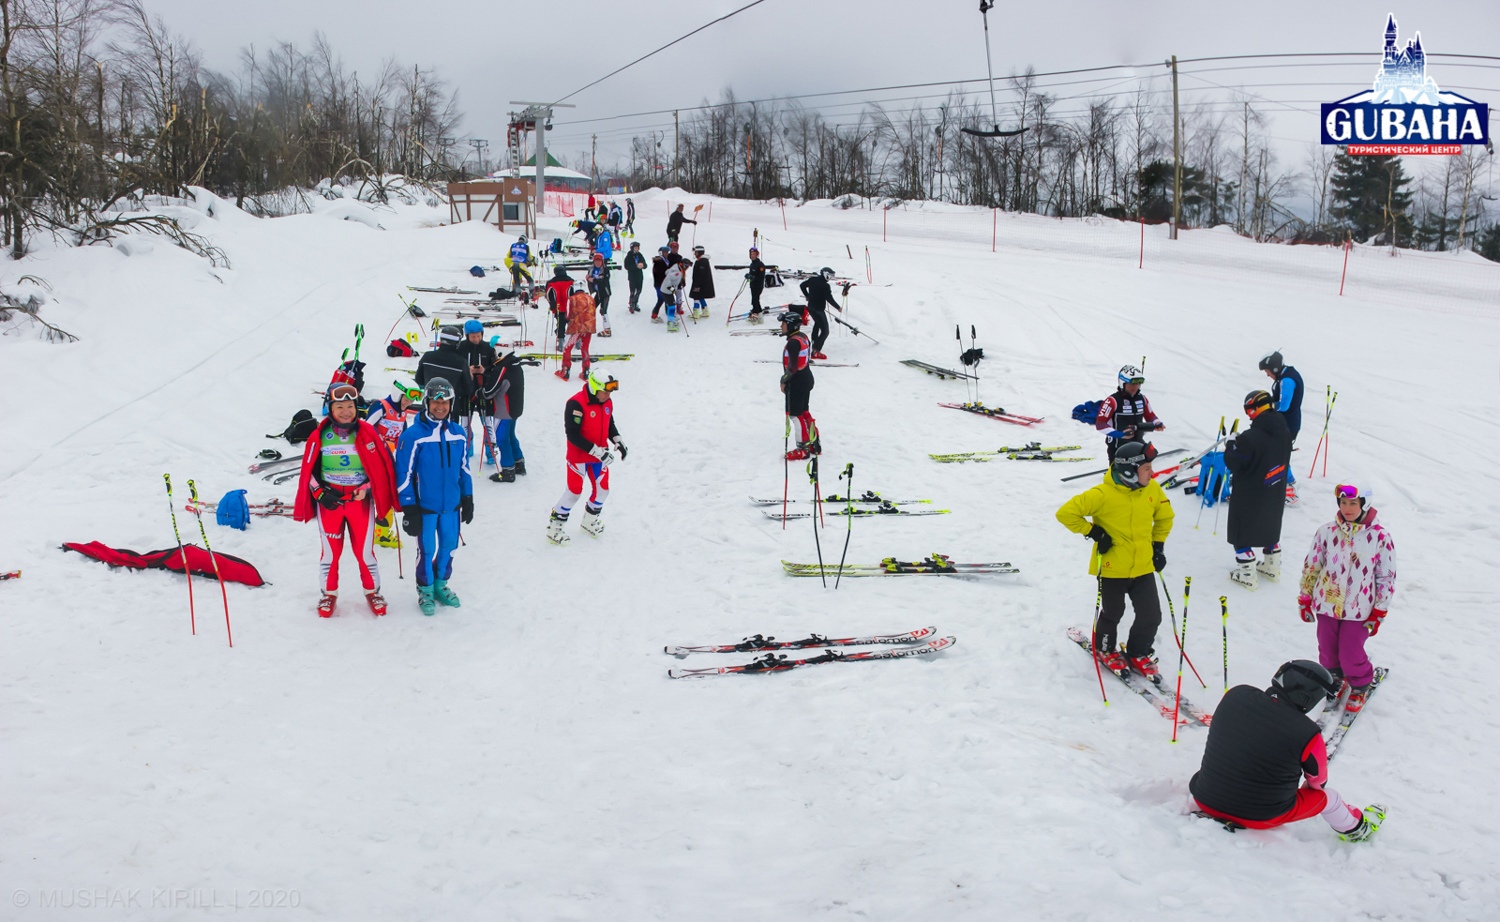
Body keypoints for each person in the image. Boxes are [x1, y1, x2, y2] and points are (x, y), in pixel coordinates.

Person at [1190, 660, 1385, 842]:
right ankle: (1357, 829)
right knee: (1329, 798)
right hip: (1260, 817)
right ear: (1307, 696)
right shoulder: (1307, 733)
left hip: (1204, 796)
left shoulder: (1236, 694)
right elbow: (1317, 783)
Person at [1054, 441, 1174, 679]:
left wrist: (1157, 547)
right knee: (1113, 613)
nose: (1152, 473)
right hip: (1111, 568)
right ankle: (1105, 649)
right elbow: (1065, 513)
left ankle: (1138, 652)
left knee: (1151, 615)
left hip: (1142, 566)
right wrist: (1094, 532)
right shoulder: (1101, 495)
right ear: (1129, 472)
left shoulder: (1152, 489)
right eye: (1147, 468)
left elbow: (1165, 517)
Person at [292, 383, 400, 618]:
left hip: (359, 502)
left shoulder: (367, 432)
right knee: (330, 553)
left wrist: (367, 488)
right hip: (330, 502)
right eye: (339, 407)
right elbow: (307, 470)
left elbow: (381, 468)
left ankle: (372, 591)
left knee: (365, 552)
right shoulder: (320, 434)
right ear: (330, 409)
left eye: (349, 406)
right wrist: (320, 493)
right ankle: (328, 594)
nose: (345, 412)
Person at [1298, 484, 1396, 713]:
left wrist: (1379, 610)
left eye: (1353, 503)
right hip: (1327, 603)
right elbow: (1312, 567)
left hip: (1360, 608)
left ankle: (1361, 684)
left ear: (1365, 504)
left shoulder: (1380, 537)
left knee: (1350, 652)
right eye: (1343, 503)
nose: (1347, 508)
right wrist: (1305, 598)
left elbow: (1386, 576)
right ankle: (1335, 677)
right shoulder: (1326, 532)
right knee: (1327, 649)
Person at [395, 378, 473, 616]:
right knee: (427, 549)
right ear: (426, 402)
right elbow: (404, 474)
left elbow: (464, 469)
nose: (440, 407)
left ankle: (441, 585)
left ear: (451, 403)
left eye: (445, 402)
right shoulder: (414, 435)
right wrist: (409, 508)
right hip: (425, 507)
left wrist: (467, 497)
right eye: (435, 402)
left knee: (449, 546)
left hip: (451, 506)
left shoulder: (458, 433)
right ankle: (425, 589)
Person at [547, 367, 626, 546]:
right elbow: (572, 434)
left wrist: (617, 439)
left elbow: (609, 422)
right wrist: (596, 451)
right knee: (574, 492)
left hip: (599, 457)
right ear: (593, 387)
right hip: (579, 457)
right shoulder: (575, 404)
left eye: (609, 392)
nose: (608, 395)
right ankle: (555, 528)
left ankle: (589, 521)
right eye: (604, 392)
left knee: (603, 490)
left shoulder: (607, 402)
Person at [1225, 390, 1293, 589]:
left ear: (1254, 409)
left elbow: (1234, 462)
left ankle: (1247, 573)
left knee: (1241, 529)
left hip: (1250, 491)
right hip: (1275, 488)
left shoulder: (1250, 437)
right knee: (1270, 524)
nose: (1248, 415)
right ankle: (1272, 566)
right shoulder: (1284, 431)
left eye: (1249, 410)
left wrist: (1231, 444)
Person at [365, 381, 421, 547]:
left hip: (390, 459)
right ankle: (379, 532)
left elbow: (403, 438)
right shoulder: (381, 406)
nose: (409, 403)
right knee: (384, 494)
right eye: (407, 398)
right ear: (398, 393)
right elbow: (366, 430)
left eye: (413, 399)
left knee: (389, 494)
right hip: (374, 458)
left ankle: (381, 531)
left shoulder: (402, 414)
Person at [1094, 364, 1165, 463]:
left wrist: (1157, 423)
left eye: (1138, 384)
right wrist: (1119, 434)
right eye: (1131, 384)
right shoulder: (1112, 401)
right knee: (1122, 471)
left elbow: (1150, 416)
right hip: (1118, 445)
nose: (1135, 387)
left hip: (1138, 442)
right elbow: (1100, 424)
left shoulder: (1142, 399)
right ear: (1122, 383)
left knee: (1146, 463)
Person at [1260, 350, 1305, 505]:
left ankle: (1289, 488)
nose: (1267, 375)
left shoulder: (1287, 380)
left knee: (1279, 453)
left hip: (1288, 424)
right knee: (1279, 452)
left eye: (1267, 371)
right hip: (1284, 423)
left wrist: (1265, 407)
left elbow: (1284, 405)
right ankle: (1288, 479)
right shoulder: (1286, 376)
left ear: (1275, 368)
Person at [416, 325, 474, 444]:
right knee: (446, 441)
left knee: (425, 439)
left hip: (429, 406)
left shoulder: (427, 357)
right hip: (450, 409)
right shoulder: (461, 362)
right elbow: (468, 389)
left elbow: (419, 380)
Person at [481, 352, 528, 483]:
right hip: (515, 408)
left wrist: (480, 392)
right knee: (510, 435)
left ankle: (508, 470)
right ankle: (519, 463)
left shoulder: (502, 369)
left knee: (502, 439)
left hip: (504, 410)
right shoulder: (515, 364)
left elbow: (489, 392)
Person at [780, 309, 820, 460]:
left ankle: (802, 448)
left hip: (797, 381)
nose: (781, 326)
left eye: (783, 324)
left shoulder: (792, 343)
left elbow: (793, 367)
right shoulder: (802, 337)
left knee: (795, 416)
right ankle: (814, 443)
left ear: (790, 325)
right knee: (803, 412)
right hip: (806, 378)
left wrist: (783, 380)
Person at [798, 267, 842, 360]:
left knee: (817, 325)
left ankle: (813, 344)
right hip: (818, 310)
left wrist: (807, 295)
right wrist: (838, 307)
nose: (830, 278)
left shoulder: (813, 279)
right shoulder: (825, 286)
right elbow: (829, 298)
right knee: (825, 331)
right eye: (829, 275)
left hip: (811, 308)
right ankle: (816, 351)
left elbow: (802, 285)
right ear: (825, 274)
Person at [558, 286, 596, 381]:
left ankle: (565, 370)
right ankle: (586, 371)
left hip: (577, 328)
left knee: (567, 348)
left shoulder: (572, 299)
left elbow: (567, 315)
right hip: (589, 327)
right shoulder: (591, 298)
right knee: (585, 348)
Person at [545, 267, 573, 353]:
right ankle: (577, 341)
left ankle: (560, 342)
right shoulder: (571, 281)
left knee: (561, 324)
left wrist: (552, 306)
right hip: (570, 307)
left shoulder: (551, 283)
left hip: (558, 307)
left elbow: (548, 295)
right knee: (572, 323)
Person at [587, 251, 613, 337]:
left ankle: (607, 330)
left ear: (602, 261)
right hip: (598, 293)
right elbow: (589, 278)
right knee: (591, 308)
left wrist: (592, 280)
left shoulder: (605, 270)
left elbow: (603, 281)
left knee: (603, 311)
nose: (598, 262)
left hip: (605, 293)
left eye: (599, 261)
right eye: (596, 261)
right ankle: (588, 326)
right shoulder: (591, 269)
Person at [660, 252, 687, 333]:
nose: (686, 268)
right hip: (666, 290)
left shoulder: (676, 268)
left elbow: (667, 272)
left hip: (666, 290)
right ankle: (670, 323)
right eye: (686, 266)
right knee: (672, 306)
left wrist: (679, 283)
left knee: (671, 305)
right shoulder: (677, 272)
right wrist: (673, 290)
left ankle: (671, 319)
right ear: (682, 264)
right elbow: (668, 280)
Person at [688, 245, 715, 319]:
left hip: (700, 284)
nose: (694, 254)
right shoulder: (701, 261)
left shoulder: (702, 261)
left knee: (696, 297)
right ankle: (705, 310)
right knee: (700, 296)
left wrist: (697, 285)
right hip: (700, 284)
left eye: (696, 252)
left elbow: (701, 274)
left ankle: (696, 312)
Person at [624, 241, 647, 313]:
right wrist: (636, 266)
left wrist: (643, 265)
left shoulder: (640, 255)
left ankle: (635, 303)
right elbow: (626, 266)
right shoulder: (629, 256)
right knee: (632, 291)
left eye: (637, 248)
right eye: (635, 248)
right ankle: (631, 303)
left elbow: (645, 264)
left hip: (639, 276)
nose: (637, 249)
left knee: (639, 291)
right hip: (632, 276)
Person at [650, 246, 671, 322]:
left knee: (665, 299)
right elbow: (659, 273)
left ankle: (668, 314)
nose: (666, 254)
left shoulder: (666, 260)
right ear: (661, 253)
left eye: (667, 252)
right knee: (662, 299)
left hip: (664, 284)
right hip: (660, 284)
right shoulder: (659, 261)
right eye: (665, 252)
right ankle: (654, 316)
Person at [746, 247, 767, 321]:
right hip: (753, 285)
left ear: (757, 255)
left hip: (758, 285)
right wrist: (748, 276)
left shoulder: (760, 265)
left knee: (755, 299)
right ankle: (755, 311)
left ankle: (759, 314)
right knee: (753, 300)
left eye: (754, 254)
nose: (752, 256)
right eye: (751, 254)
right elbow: (752, 273)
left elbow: (761, 277)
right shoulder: (752, 264)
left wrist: (753, 277)